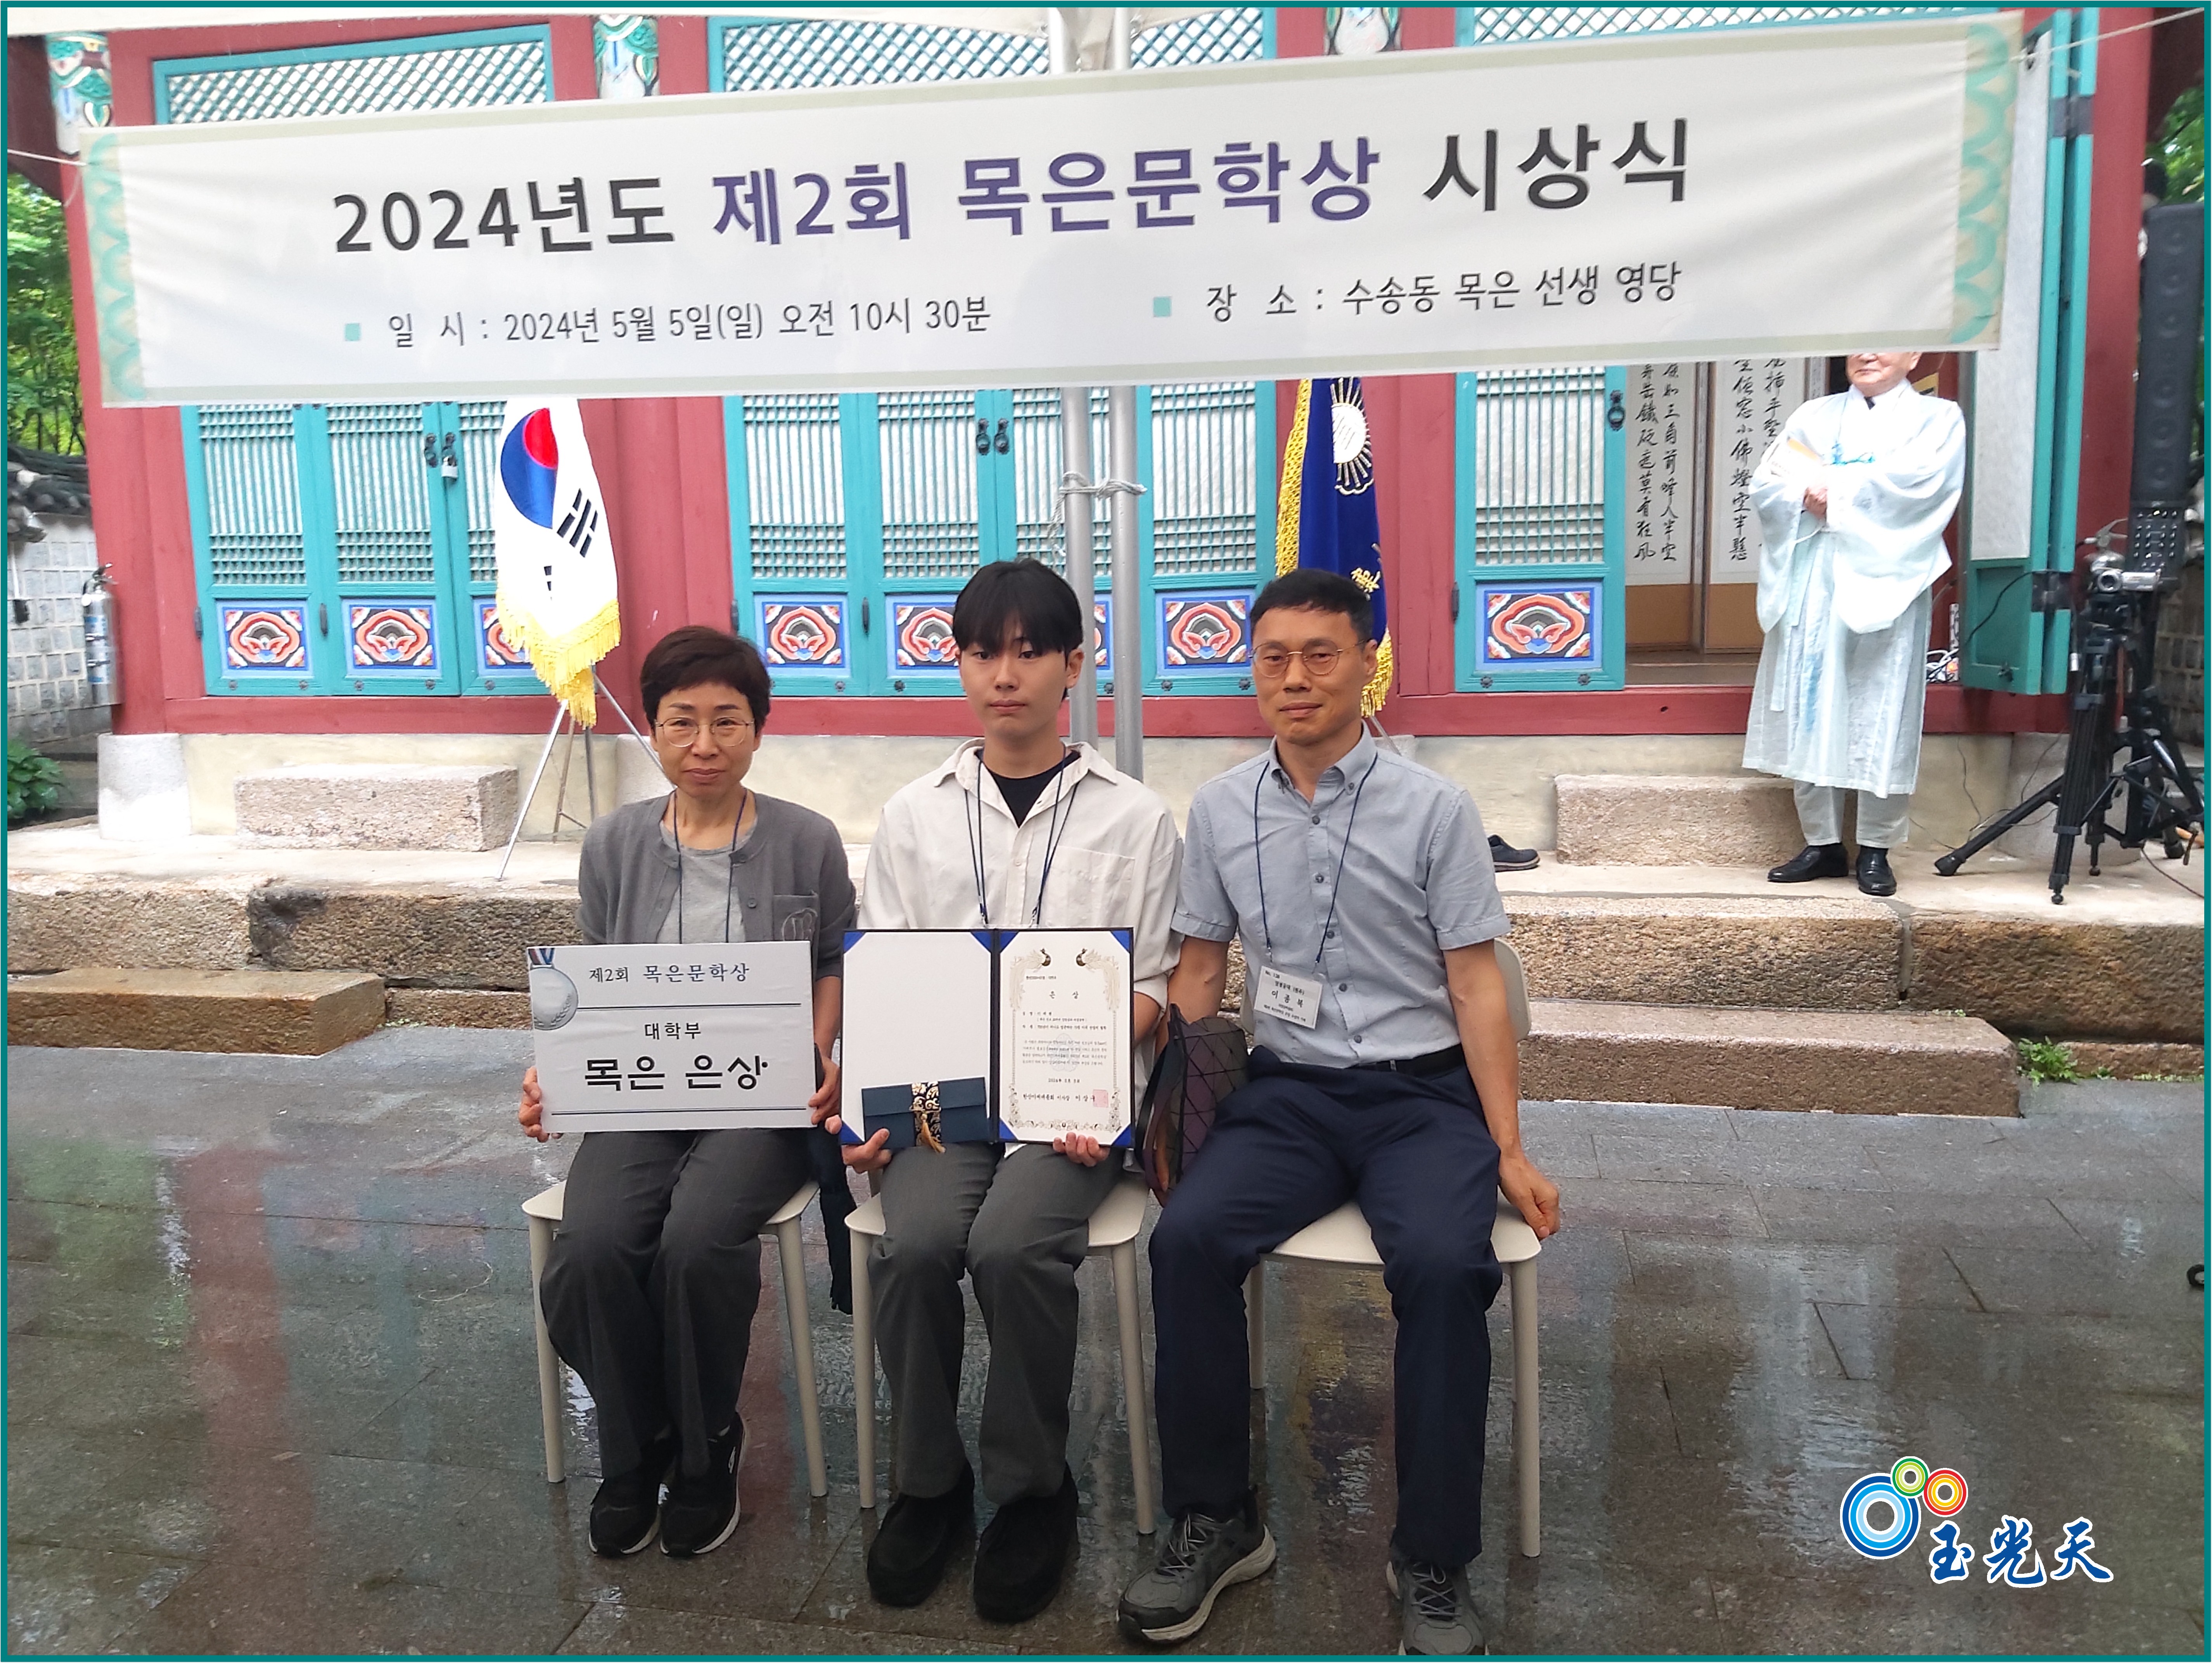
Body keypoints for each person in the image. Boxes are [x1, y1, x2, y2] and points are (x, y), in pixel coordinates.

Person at [1117, 568, 1562, 1657]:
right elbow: (1199, 973)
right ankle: (1217, 1517)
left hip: (1422, 1098)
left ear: (1367, 663)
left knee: (1445, 1266)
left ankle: (1433, 1560)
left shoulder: (1434, 808)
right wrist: (1141, 1095)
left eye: (1320, 654)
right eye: (1273, 657)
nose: (1296, 677)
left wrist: (1507, 1146)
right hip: (1289, 1095)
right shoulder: (1221, 809)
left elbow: (1475, 984)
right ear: (1252, 671)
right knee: (1187, 1239)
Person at [825, 558, 1182, 1623]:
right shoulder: (912, 816)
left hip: (1070, 1105)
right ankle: (929, 1486)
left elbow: (1156, 985)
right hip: (940, 1097)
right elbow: (885, 973)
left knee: (1012, 1246)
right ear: (959, 663)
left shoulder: (1135, 818)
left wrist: (1084, 1077)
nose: (1005, 674)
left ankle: (1032, 1492)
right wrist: (868, 1104)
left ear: (1076, 663)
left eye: (1030, 652)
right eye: (983, 652)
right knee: (915, 1243)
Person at [516, 626, 855, 1559]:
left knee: (698, 1240)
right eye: (681, 721)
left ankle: (706, 1449)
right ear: (654, 730)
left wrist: (818, 1046)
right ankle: (640, 1445)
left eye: (727, 721)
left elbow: (833, 960)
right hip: (641, 1094)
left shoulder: (807, 839)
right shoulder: (613, 843)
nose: (704, 743)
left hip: (759, 1095)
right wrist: (557, 1070)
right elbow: (591, 981)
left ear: (758, 729)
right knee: (589, 1249)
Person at [1745, 350, 1966, 896]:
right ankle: (1822, 843)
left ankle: (1876, 848)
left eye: (1885, 342)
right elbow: (1769, 483)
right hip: (1813, 569)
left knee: (1881, 704)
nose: (1867, 354)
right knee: (1809, 700)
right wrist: (1806, 494)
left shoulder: (1937, 419)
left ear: (1913, 355)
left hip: (1889, 574)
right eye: (1858, 343)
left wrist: (1837, 491)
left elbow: (1923, 486)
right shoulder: (1813, 416)